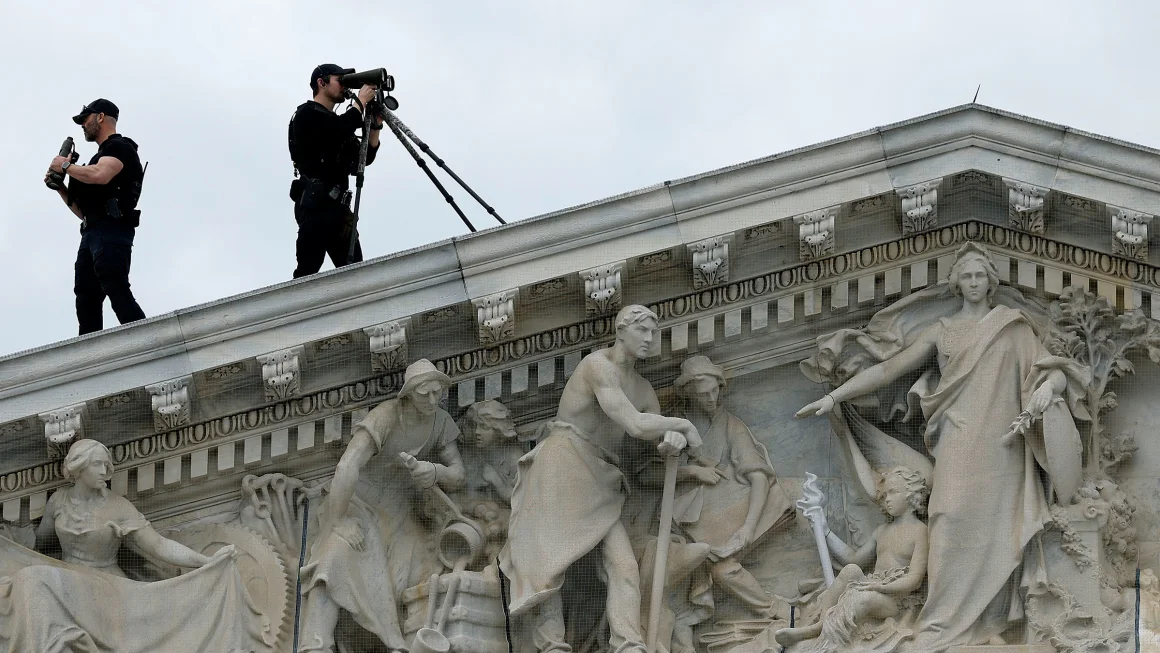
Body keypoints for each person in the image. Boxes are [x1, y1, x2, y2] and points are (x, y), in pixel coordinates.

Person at [796, 242, 1089, 652]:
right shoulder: (942, 331)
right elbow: (888, 368)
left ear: (991, 282)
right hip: (956, 438)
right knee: (947, 517)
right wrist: (834, 397)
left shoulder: (1013, 327)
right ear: (956, 284)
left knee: (998, 529)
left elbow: (1054, 373)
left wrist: (1046, 392)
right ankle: (940, 625)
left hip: (1002, 444)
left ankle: (985, 625)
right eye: (966, 276)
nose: (973, 283)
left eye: (980, 276)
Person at [499, 304, 703, 653]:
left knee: (623, 564)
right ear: (620, 330)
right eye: (643, 330)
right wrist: (681, 424)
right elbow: (635, 424)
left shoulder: (643, 390)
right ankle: (551, 646)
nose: (650, 340)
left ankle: (628, 644)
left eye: (654, 333)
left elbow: (655, 442)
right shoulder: (598, 366)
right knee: (550, 562)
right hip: (564, 464)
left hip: (602, 478)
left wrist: (674, 442)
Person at [0, 439, 268, 653]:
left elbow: (159, 546)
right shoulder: (58, 502)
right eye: (98, 465)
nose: (105, 471)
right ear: (79, 468)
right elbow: (42, 542)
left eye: (107, 465)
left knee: (37, 580)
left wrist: (207, 563)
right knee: (30, 579)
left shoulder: (118, 507)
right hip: (70, 577)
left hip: (106, 585)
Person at [298, 359, 465, 653]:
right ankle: (316, 644)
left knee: (410, 579)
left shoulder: (440, 421)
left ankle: (394, 643)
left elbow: (458, 474)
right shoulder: (387, 416)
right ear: (409, 393)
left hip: (400, 512)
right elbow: (347, 466)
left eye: (437, 393)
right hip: (357, 506)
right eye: (425, 393)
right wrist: (338, 522)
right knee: (334, 556)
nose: (432, 400)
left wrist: (434, 471)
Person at [669, 356, 793, 618]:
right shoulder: (671, 428)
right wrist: (692, 471)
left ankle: (781, 611)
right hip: (692, 522)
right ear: (689, 394)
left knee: (722, 569)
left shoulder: (730, 424)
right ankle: (781, 612)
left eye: (715, 391)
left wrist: (748, 526)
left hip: (736, 513)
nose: (712, 399)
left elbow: (758, 476)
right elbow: (648, 474)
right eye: (703, 395)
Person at [774, 467, 930, 652]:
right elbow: (853, 559)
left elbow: (915, 579)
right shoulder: (882, 531)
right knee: (851, 571)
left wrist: (880, 587)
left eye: (893, 492)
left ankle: (828, 637)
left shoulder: (920, 531)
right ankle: (819, 626)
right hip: (874, 586)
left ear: (912, 494)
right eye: (884, 494)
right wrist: (825, 530)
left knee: (863, 598)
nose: (887, 499)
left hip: (896, 600)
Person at [45, 99, 147, 335]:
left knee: (115, 286)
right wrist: (59, 186)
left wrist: (66, 168)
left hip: (112, 230)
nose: (82, 125)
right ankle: (90, 353)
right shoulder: (95, 159)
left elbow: (101, 175)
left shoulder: (120, 147)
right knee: (85, 295)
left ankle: (148, 342)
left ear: (101, 117)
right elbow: (82, 211)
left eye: (85, 119)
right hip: (92, 231)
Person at [288, 63, 384, 278]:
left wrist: (375, 127)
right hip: (316, 206)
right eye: (339, 80)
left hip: (339, 210)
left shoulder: (340, 124)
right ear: (321, 83)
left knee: (355, 275)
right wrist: (359, 104)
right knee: (307, 272)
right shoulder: (306, 115)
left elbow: (363, 159)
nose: (344, 85)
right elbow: (334, 132)